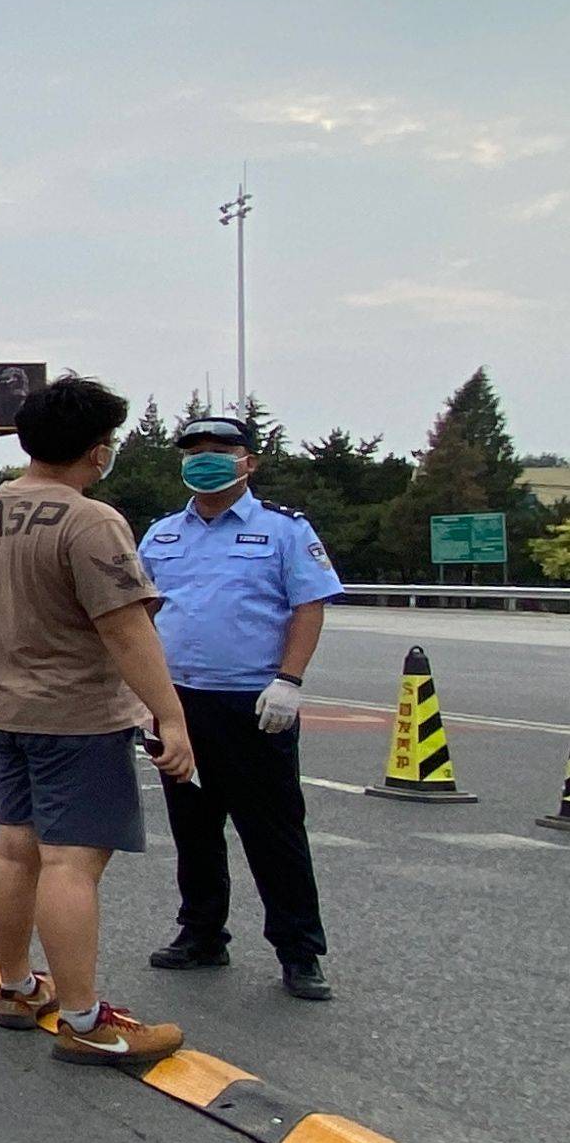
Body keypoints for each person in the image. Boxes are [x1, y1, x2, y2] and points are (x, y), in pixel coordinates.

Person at [0, 373, 196, 1067]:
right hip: (77, 714)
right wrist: (169, 716)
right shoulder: (89, 520)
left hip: (4, 707)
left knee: (14, 848)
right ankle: (88, 1019)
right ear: (96, 450)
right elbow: (127, 630)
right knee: (71, 862)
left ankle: (15, 985)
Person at [138, 414, 345, 1001]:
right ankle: (203, 933)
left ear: (247, 462)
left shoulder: (283, 530)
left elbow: (309, 606)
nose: (203, 459)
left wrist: (289, 680)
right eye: (193, 451)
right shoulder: (160, 534)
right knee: (194, 827)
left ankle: (299, 950)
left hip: (257, 702)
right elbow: (142, 613)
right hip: (180, 702)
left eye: (218, 450)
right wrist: (142, 694)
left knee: (273, 830)